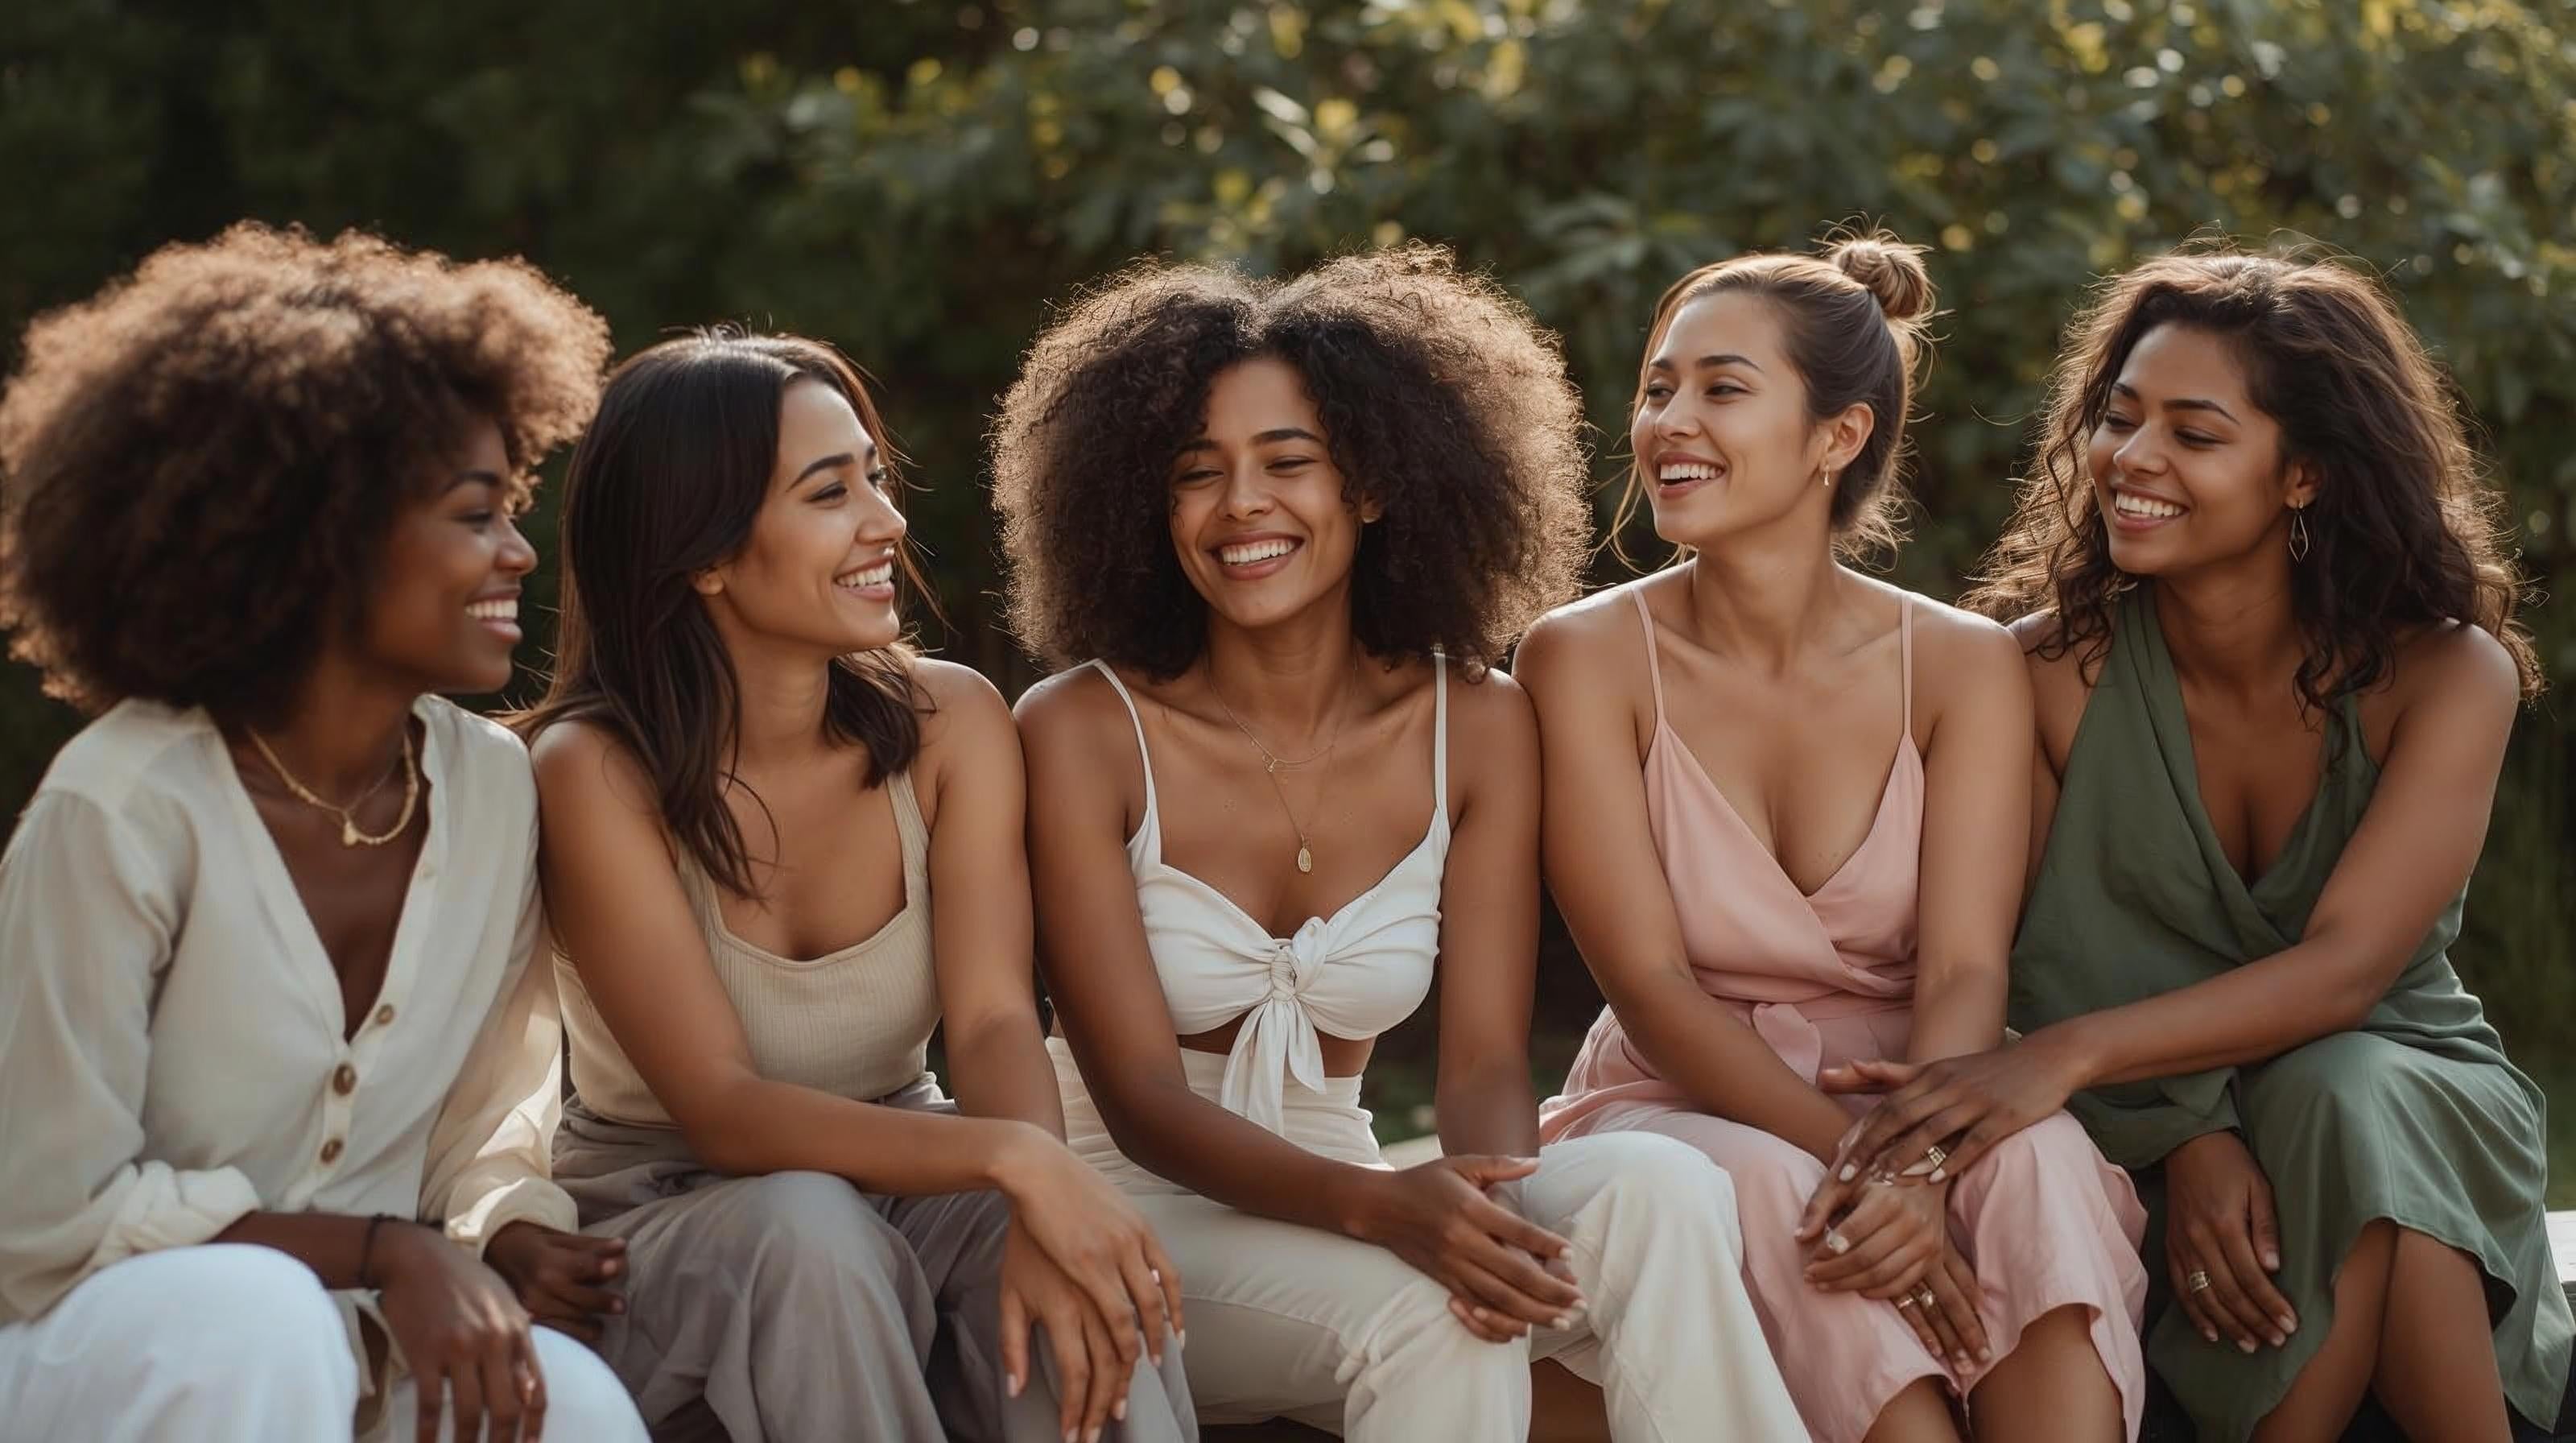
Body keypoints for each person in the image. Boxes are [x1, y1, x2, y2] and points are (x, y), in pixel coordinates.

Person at [996, 246, 1806, 1441]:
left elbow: (1482, 1065)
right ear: (1143, 504)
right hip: (1139, 1212)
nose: (1242, 508)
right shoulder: (1080, 729)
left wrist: (1484, 1213)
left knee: (1664, 1189)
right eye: (1195, 474)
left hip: (1355, 1182)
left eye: (1289, 463)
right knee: (1430, 1312)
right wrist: (1395, 1219)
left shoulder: (1474, 721)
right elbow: (1140, 1097)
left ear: (1372, 485)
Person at [1832, 248, 2574, 1442]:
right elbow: (2004, 948)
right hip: (2147, 1112)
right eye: (2119, 418)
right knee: (2338, 1112)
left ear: (2305, 476)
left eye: (2196, 432)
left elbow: (2347, 973)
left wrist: (2065, 1058)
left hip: (2410, 1088)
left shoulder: (2443, 674)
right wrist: (2195, 1128)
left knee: (2349, 1090)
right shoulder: (2037, 673)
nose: (2133, 460)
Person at [0, 222, 644, 1441]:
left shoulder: (495, 790)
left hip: (357, 1343)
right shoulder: (122, 804)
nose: (517, 550)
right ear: (323, 534)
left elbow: (480, 1133)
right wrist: (373, 1250)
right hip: (101, 1350)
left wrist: (500, 1232)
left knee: (581, 1412)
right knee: (256, 1320)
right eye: (475, 514)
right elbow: (42, 1219)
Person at [1525, 234, 2150, 1443]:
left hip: (1917, 1077)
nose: (1667, 422)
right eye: (1658, 387)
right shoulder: (1582, 658)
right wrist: (1865, 1172)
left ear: (1839, 436)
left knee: (2039, 1161)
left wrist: (1914, 1159)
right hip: (1680, 1091)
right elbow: (1653, 989)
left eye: (1721, 389)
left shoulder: (1965, 664)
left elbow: (1969, 968)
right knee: (1766, 1187)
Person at [521, 329, 1194, 1443]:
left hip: (907, 1165)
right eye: (830, 493)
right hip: (660, 1211)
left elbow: (986, 1019)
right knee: (809, 1229)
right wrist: (1014, 1154)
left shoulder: (953, 722)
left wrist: (1035, 1190)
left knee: (1065, 1254)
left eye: (875, 479)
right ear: (705, 553)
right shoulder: (592, 773)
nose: (886, 523)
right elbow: (725, 1113)